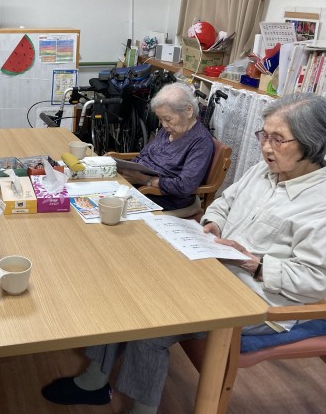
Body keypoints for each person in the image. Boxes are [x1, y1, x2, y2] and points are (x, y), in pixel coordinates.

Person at [41, 93, 326, 414]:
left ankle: (141, 409)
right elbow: (224, 202)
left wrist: (256, 264)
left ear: (311, 143)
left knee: (154, 325)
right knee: (128, 283)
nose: (266, 147)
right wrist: (214, 223)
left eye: (278, 139)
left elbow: (316, 281)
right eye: (264, 135)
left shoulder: (320, 202)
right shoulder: (265, 171)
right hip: (214, 267)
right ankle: (95, 379)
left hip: (256, 298)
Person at [118, 82, 214, 211]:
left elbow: (185, 186)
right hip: (138, 187)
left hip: (163, 198)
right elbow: (145, 154)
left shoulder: (201, 142)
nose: (163, 125)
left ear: (188, 111)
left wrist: (144, 180)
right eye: (160, 119)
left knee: (111, 210)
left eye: (168, 119)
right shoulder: (170, 130)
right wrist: (128, 170)